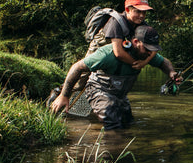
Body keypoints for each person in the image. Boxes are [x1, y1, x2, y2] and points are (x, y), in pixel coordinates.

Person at [51, 25, 181, 129]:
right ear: (135, 42)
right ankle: (110, 156)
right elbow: (77, 67)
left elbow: (164, 62)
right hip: (98, 90)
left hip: (119, 95)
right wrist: (64, 95)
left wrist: (171, 73)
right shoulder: (107, 54)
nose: (150, 53)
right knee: (113, 122)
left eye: (153, 49)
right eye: (148, 48)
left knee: (128, 123)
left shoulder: (145, 55)